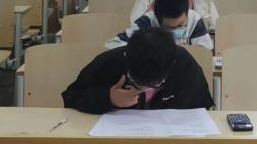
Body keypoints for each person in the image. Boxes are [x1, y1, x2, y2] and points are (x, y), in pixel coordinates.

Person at [62, 27, 214, 114]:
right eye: (135, 81)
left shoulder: (184, 64)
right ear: (126, 56)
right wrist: (108, 98)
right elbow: (71, 97)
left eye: (155, 84)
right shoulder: (110, 62)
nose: (144, 89)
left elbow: (202, 106)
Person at [107, 0, 213, 50]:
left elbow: (205, 51)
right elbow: (113, 44)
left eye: (181, 25)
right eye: (169, 28)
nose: (176, 31)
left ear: (187, 13)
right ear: (158, 19)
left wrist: (186, 50)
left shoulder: (194, 19)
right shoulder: (147, 21)